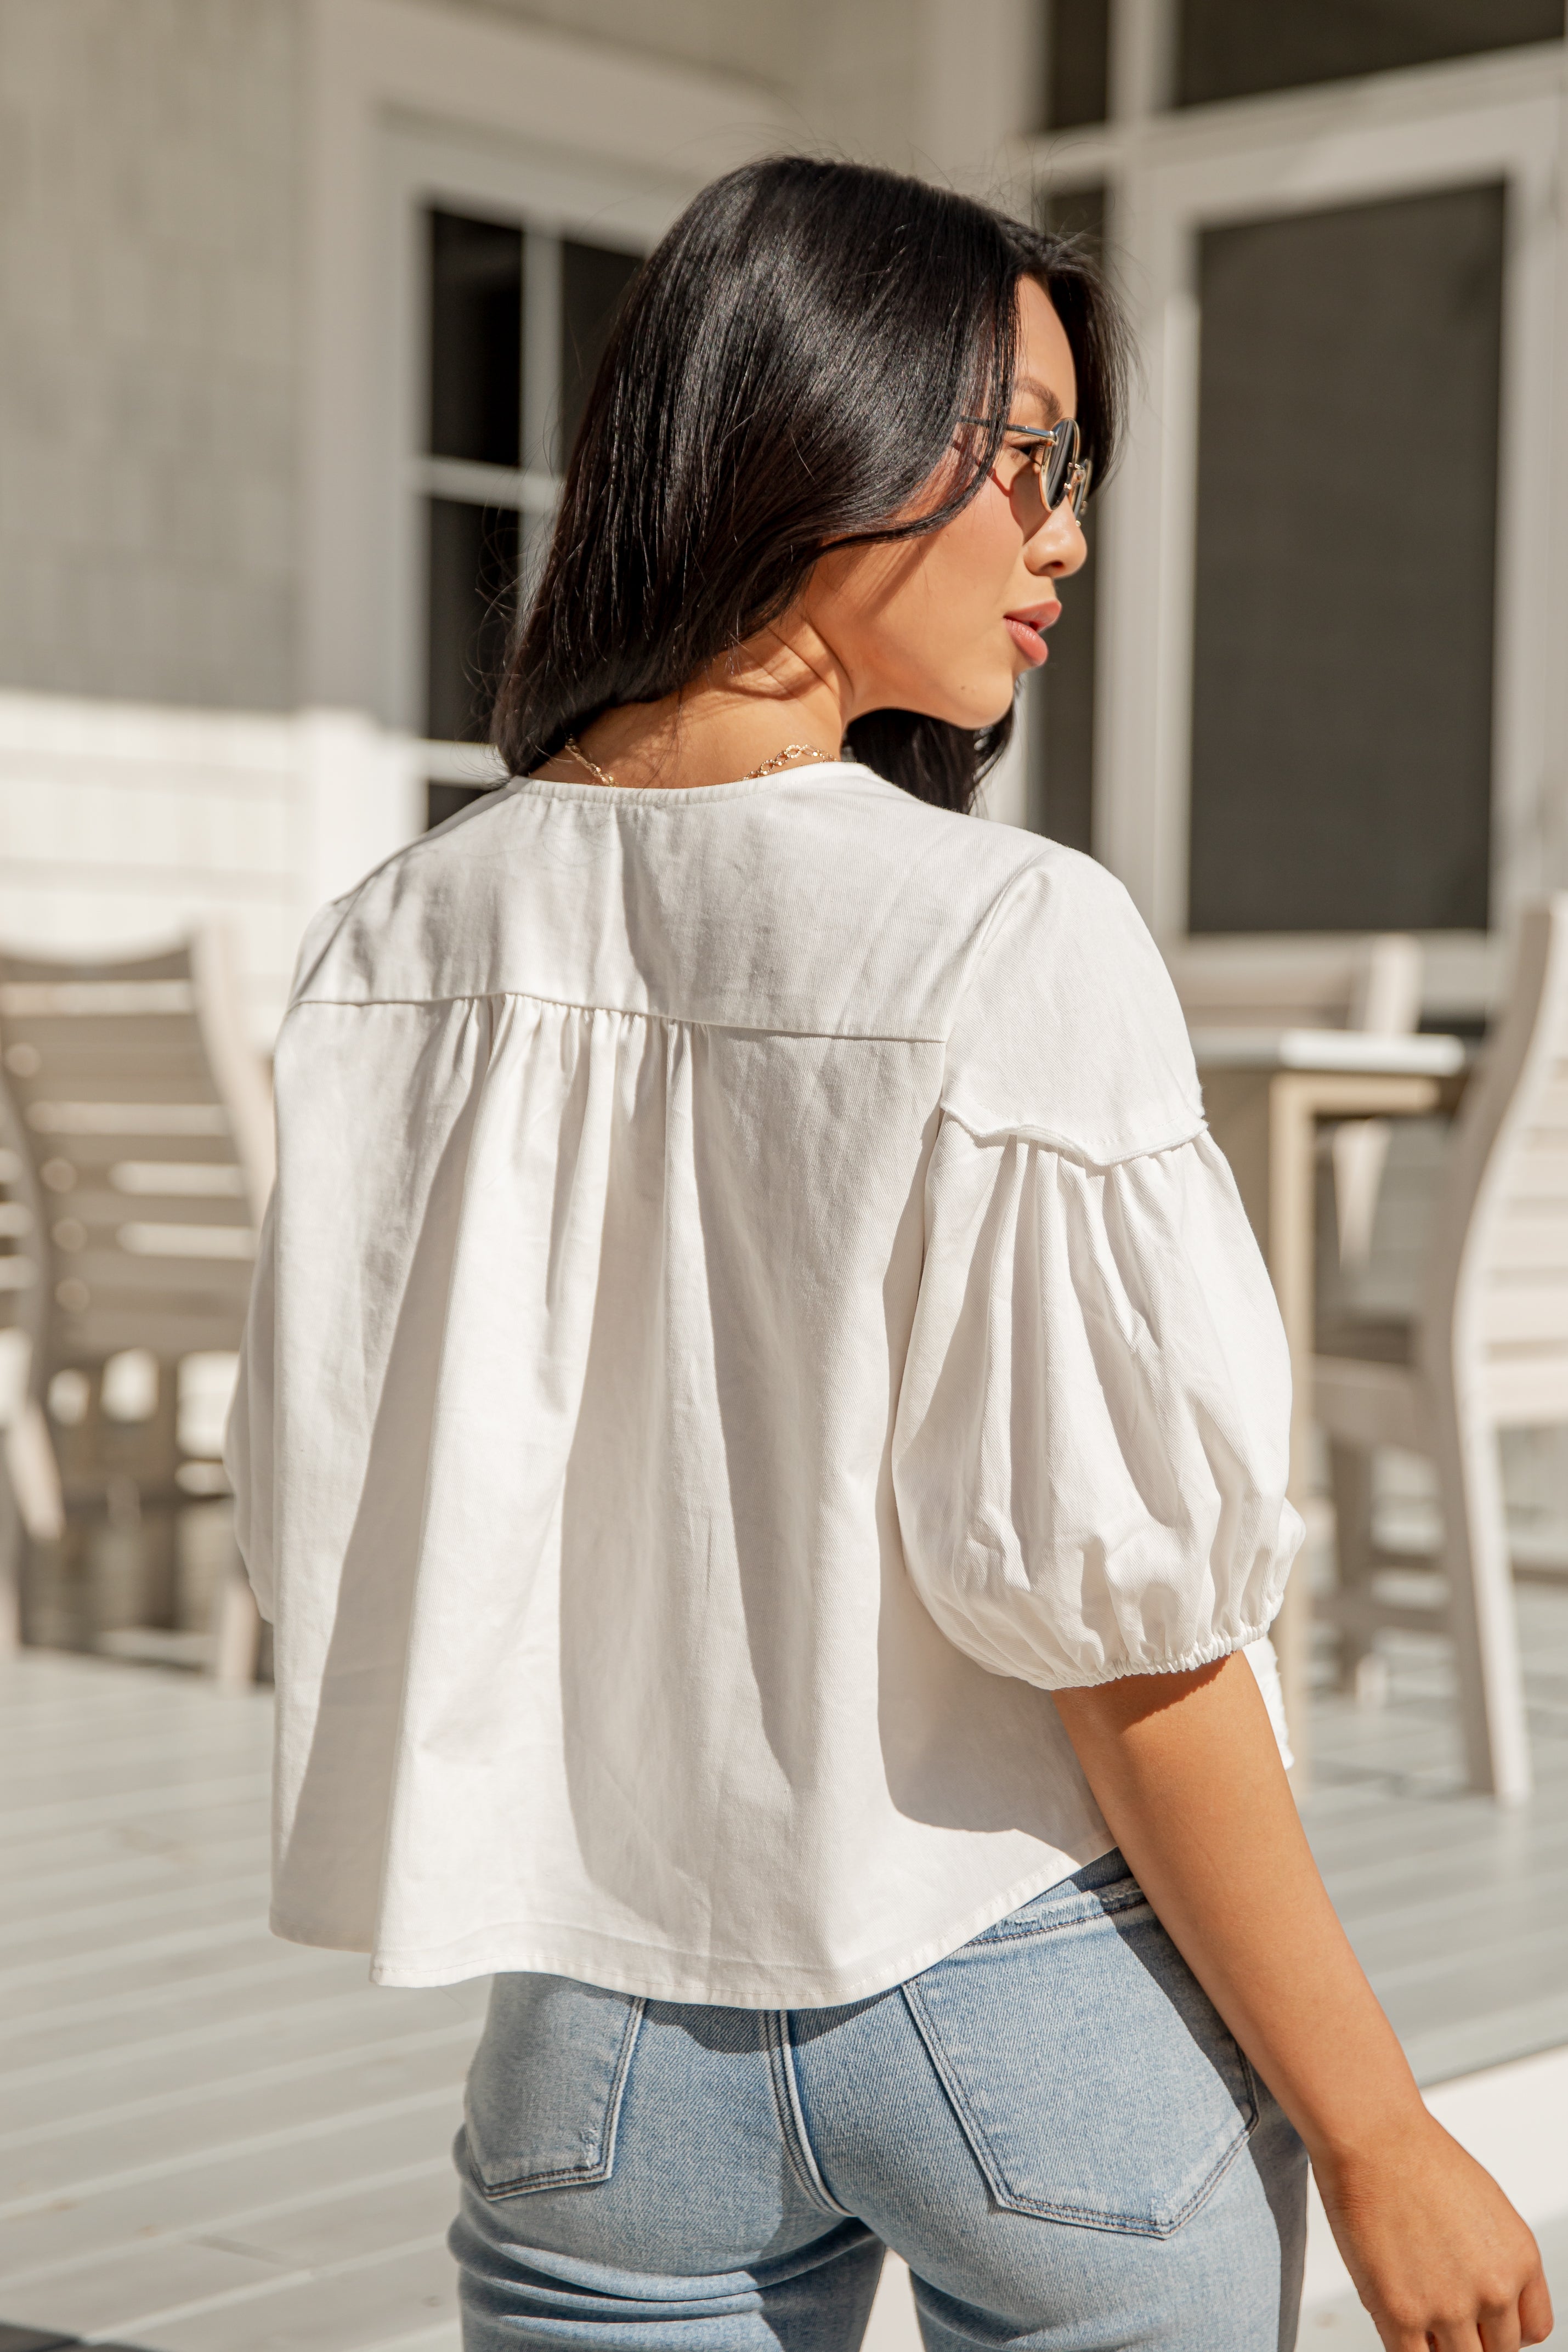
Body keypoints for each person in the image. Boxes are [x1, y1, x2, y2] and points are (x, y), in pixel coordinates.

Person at [226, 157, 1552, 2352]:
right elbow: (1125, 1640)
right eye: (1024, 458)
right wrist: (1381, 2126)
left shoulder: (392, 947)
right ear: (817, 425)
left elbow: (338, 1514)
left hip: (596, 2039)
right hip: (1015, 1995)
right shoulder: (1009, 933)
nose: (1069, 534)